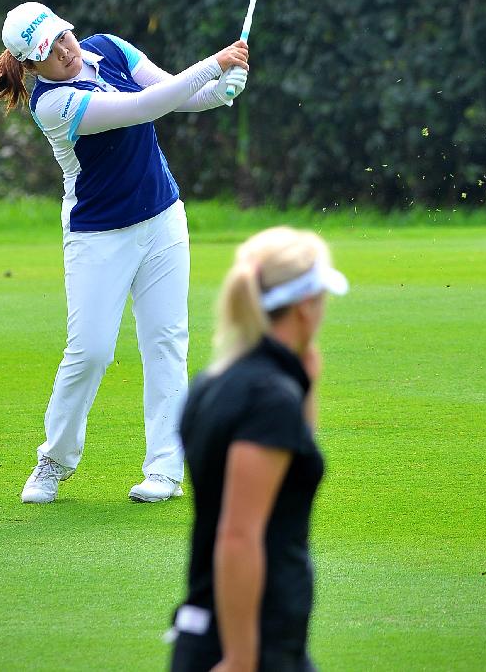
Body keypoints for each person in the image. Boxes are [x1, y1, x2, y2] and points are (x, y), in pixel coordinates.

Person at [0, 1, 249, 504]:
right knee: (90, 351)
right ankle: (54, 460)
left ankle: (165, 470)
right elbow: (141, 109)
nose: (64, 52)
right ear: (30, 67)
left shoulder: (109, 47)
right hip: (98, 236)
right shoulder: (51, 104)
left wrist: (219, 93)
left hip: (162, 219)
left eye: (62, 38)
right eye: (48, 52)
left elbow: (169, 94)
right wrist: (214, 65)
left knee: (166, 342)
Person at [169, 226, 348, 672]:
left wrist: (306, 380)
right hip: (250, 642)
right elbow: (239, 534)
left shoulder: (214, 382)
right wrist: (241, 658)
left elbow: (292, 467)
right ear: (305, 306)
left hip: (219, 630)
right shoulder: (268, 398)